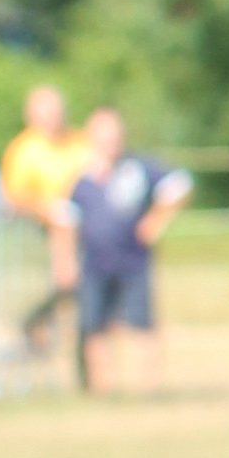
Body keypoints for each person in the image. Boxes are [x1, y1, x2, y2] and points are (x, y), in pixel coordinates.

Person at [64, 108, 190, 395]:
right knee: (94, 326)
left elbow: (180, 184)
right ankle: (103, 390)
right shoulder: (82, 177)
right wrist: (66, 260)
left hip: (133, 260)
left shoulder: (139, 168)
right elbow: (67, 219)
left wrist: (156, 218)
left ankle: (149, 389)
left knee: (142, 324)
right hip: (94, 262)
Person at [0, 82, 86, 362]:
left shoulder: (80, 142)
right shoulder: (24, 150)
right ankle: (35, 322)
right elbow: (11, 197)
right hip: (42, 231)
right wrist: (49, 210)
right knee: (68, 281)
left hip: (86, 227)